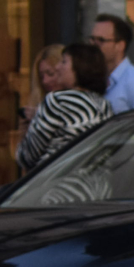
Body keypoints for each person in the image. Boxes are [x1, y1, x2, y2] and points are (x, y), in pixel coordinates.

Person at [18, 43, 111, 175]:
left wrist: (32, 126)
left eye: (64, 62)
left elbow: (27, 157)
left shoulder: (57, 100)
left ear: (79, 68)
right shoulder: (103, 104)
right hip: (94, 186)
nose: (58, 67)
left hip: (57, 185)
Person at [91, 13, 134, 114]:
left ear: (120, 46)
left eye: (101, 40)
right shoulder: (96, 78)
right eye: (92, 39)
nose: (93, 45)